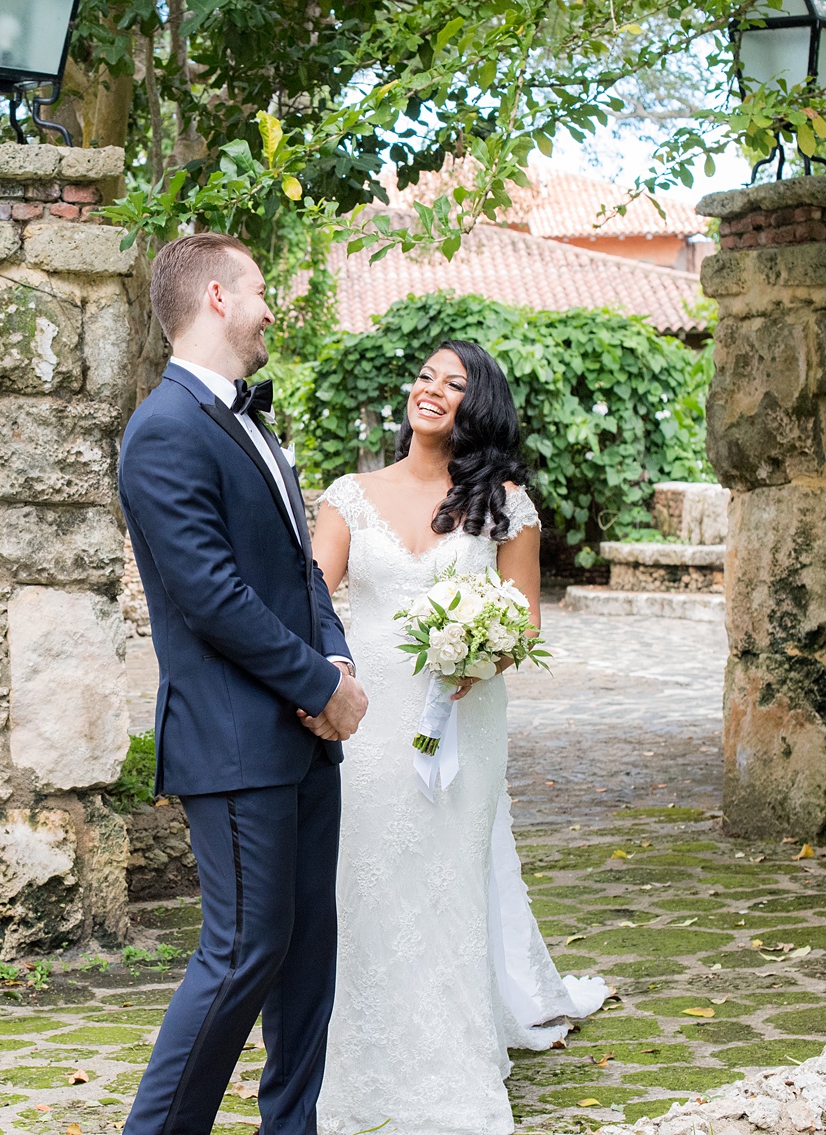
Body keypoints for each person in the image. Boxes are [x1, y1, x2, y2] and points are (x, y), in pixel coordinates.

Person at [311, 340, 610, 1135]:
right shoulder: (351, 494)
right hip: (369, 721)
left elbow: (525, 618)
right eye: (425, 377)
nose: (432, 391)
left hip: (463, 719)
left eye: (454, 383)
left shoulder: (503, 501)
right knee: (366, 874)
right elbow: (313, 593)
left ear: (476, 406)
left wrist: (481, 652)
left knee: (446, 876)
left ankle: (451, 1052)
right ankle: (359, 1047)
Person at [118, 231, 369, 1135]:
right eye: (259, 289)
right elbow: (212, 597)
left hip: (304, 736)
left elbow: (300, 566)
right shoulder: (161, 431)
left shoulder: (254, 422)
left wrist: (336, 659)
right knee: (240, 953)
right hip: (233, 743)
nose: (270, 308)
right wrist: (316, 685)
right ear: (218, 298)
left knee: (306, 956)